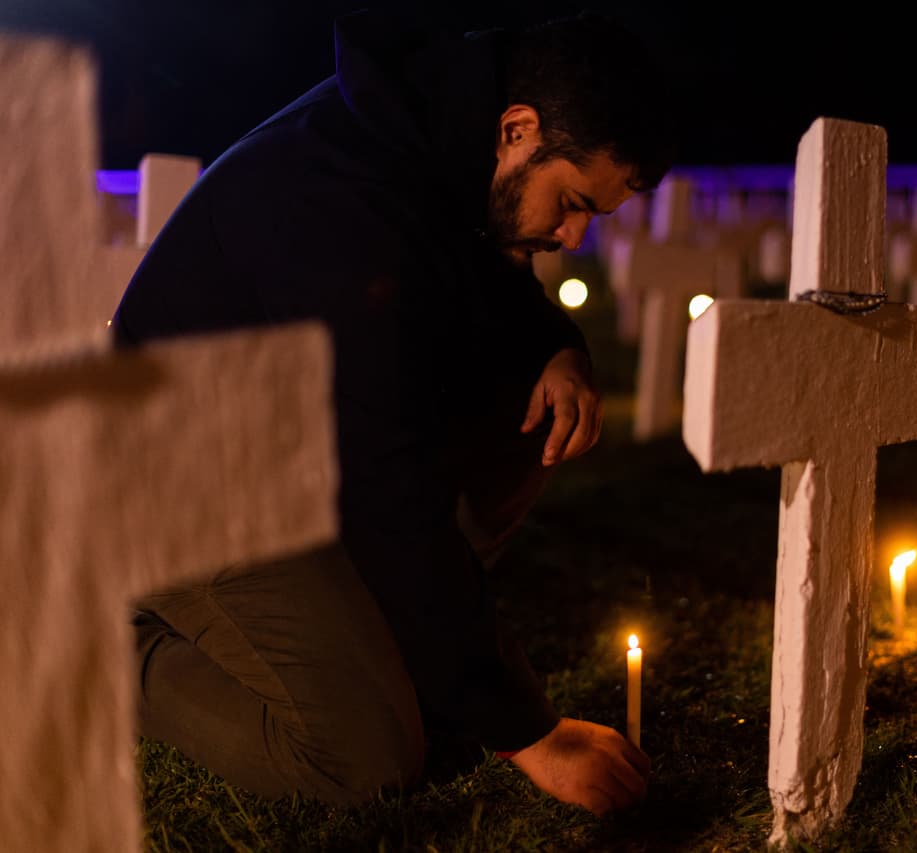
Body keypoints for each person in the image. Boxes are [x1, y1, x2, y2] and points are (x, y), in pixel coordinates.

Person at [116, 6, 675, 817]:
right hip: (182, 477)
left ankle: (399, 645)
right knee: (366, 754)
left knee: (523, 410)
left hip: (292, 456)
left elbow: (493, 280)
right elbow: (390, 495)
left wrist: (557, 347)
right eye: (574, 201)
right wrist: (530, 733)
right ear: (519, 129)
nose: (575, 235)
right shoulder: (342, 203)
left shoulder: (445, 146)